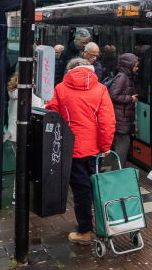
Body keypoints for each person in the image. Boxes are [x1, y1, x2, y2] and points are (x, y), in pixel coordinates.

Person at [45, 58, 116, 244]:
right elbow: (107, 122)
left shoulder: (60, 88)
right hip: (96, 152)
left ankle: (84, 231)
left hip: (72, 150)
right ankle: (107, 225)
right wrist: (105, 147)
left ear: (69, 70)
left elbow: (51, 116)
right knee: (99, 188)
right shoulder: (100, 89)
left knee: (81, 191)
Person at [5, 71, 45, 205]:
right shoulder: (30, 93)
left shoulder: (13, 90)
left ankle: (18, 195)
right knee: (27, 166)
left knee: (21, 164)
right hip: (27, 134)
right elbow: (40, 110)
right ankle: (22, 194)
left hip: (14, 134)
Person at [107, 54, 139, 170]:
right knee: (121, 152)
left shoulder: (127, 77)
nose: (137, 68)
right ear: (128, 65)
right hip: (120, 122)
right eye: (135, 65)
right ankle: (117, 177)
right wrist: (130, 99)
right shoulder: (122, 77)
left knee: (122, 151)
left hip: (123, 120)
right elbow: (113, 96)